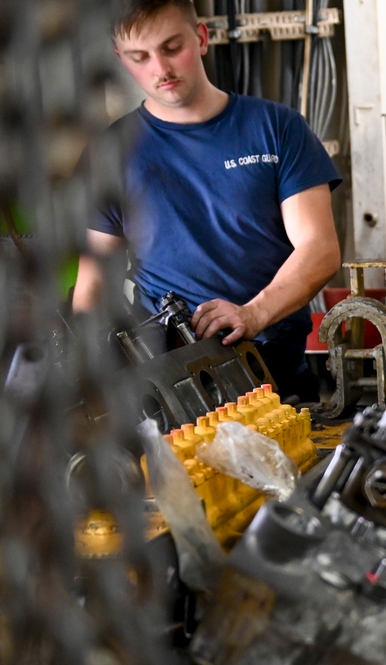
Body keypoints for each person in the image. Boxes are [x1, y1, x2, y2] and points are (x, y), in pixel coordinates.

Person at [73, 0, 342, 402]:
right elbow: (93, 283)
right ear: (121, 61)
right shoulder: (110, 154)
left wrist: (253, 313)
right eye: (140, 57)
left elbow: (320, 248)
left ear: (200, 38)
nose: (160, 69)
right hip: (169, 382)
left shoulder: (276, 128)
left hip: (275, 371)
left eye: (171, 47)